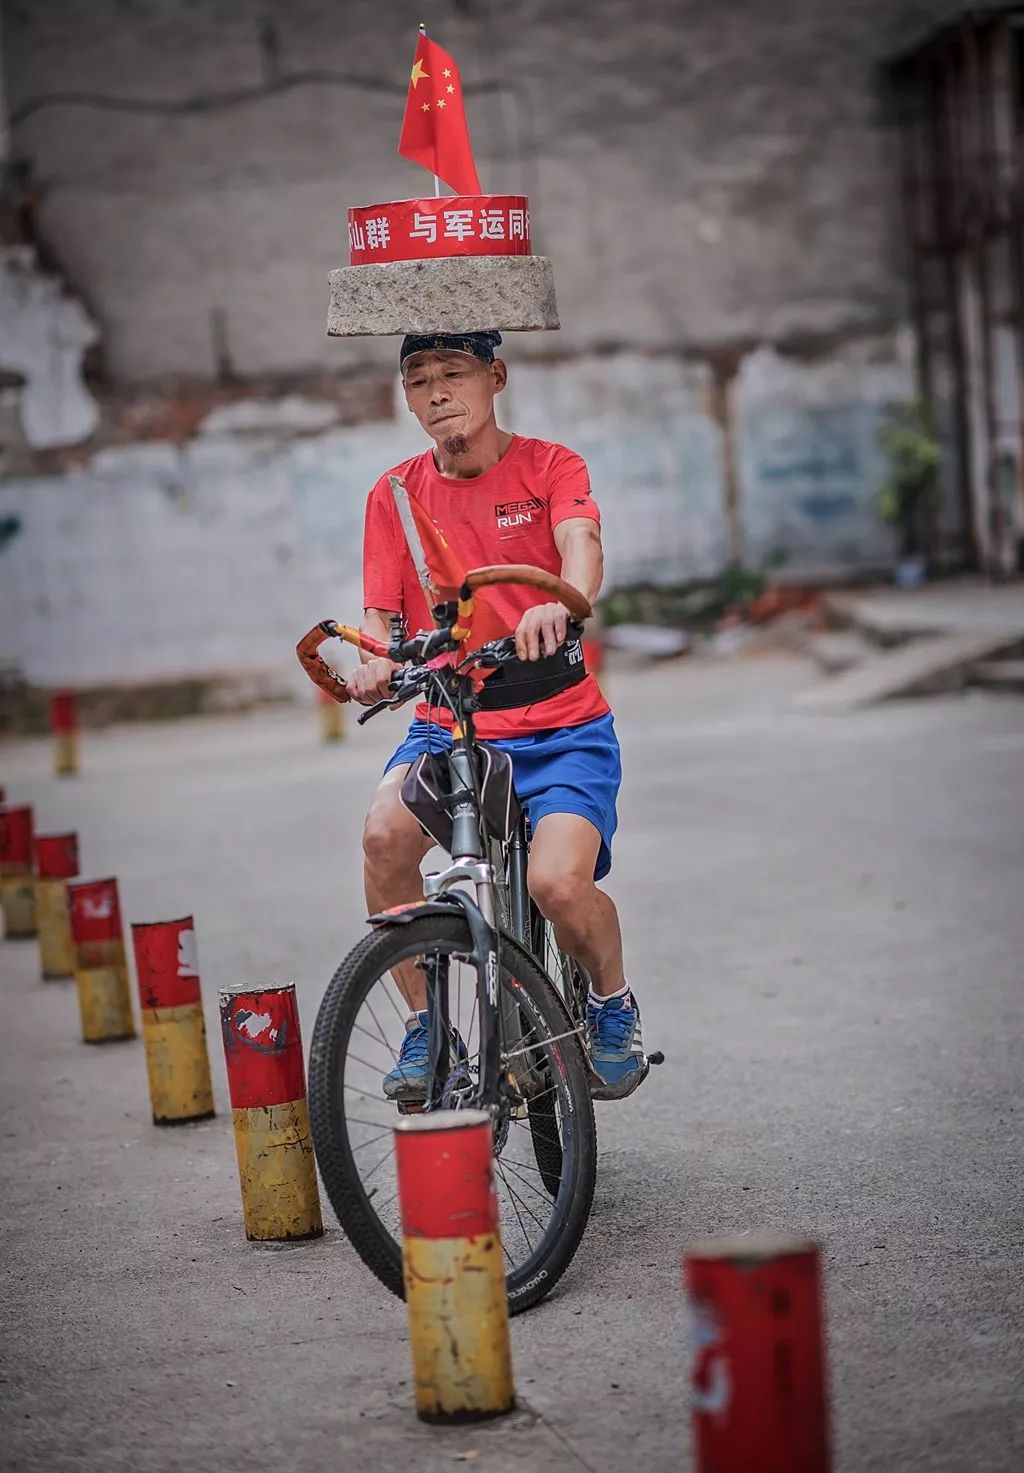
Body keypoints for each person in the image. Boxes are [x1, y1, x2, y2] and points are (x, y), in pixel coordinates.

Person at [350, 329, 647, 1102]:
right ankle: (426, 1026)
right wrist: (375, 661)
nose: (437, 392)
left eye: (454, 373)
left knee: (557, 884)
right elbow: (379, 616)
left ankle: (611, 1000)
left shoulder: (552, 465)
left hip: (560, 723)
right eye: (419, 379)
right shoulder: (395, 495)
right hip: (448, 724)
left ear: (497, 377)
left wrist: (562, 598)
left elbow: (582, 546)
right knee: (384, 838)